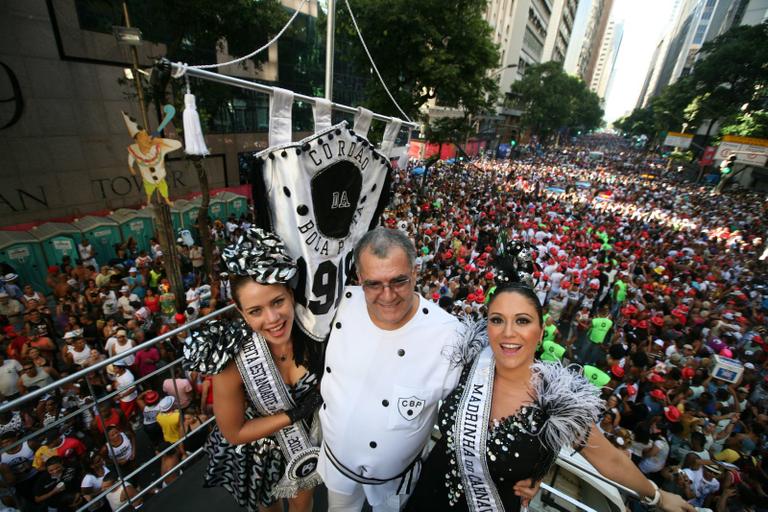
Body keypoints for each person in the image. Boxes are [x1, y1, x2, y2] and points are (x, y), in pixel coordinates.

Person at [405, 243, 695, 512]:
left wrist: (657, 496)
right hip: (426, 495)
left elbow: (609, 458)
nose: (508, 333)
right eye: (497, 320)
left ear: (541, 332)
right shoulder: (466, 362)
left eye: (522, 321)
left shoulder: (557, 400)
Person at [318, 228, 535, 512]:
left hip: (396, 482)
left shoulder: (451, 336)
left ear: (415, 272)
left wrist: (532, 464)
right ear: (359, 279)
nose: (387, 295)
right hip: (337, 465)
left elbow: (497, 394)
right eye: (373, 284)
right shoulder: (337, 305)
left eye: (399, 281)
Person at [184, 228, 324, 512]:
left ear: (290, 293)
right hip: (258, 451)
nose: (272, 319)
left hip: (308, 440)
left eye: (278, 302)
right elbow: (234, 432)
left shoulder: (315, 333)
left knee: (303, 507)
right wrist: (292, 415)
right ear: (239, 310)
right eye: (255, 311)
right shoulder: (231, 359)